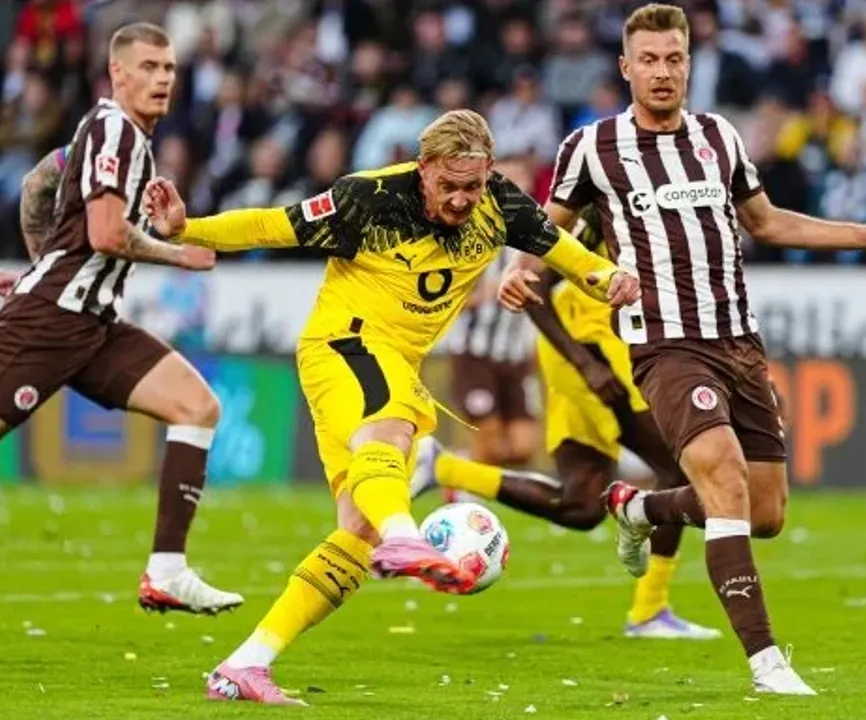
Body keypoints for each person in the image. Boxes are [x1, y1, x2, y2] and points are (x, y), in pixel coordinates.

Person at [498, 3, 866, 696]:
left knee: (764, 514)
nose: (663, 72)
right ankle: (768, 663)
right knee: (725, 481)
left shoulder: (718, 137)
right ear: (626, 67)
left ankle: (641, 509)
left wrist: (863, 234)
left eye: (674, 59)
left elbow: (766, 221)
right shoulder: (592, 147)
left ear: (689, 65)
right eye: (649, 60)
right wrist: (522, 275)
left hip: (739, 343)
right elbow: (546, 234)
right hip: (665, 347)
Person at [141, 109, 641, 706]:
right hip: (346, 343)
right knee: (393, 429)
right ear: (423, 167)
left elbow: (559, 248)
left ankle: (245, 665)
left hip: (393, 362)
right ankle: (405, 536)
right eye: (448, 185)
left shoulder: (499, 203)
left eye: (472, 186)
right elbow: (273, 225)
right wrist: (186, 228)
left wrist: (606, 276)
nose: (461, 199)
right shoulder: (369, 199)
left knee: (356, 530)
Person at [0, 22, 245, 616]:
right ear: (117, 72)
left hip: (91, 323)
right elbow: (106, 233)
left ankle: (167, 571)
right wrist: (179, 254)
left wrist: (45, 266)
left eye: (169, 68)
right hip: (51, 324)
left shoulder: (110, 133)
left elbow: (37, 182)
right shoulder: (117, 131)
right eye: (148, 67)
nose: (162, 79)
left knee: (197, 406)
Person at [410, 204, 717, 639]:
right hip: (594, 358)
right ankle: (649, 609)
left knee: (583, 506)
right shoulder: (604, 207)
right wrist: (586, 365)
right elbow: (534, 282)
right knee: (678, 466)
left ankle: (444, 467)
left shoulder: (672, 211)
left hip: (609, 357)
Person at [439, 155, 542, 470]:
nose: (511, 187)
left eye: (518, 180)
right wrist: (492, 289)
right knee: (490, 438)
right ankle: (464, 489)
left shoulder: (536, 234)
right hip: (475, 353)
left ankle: (449, 465)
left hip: (517, 356)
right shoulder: (469, 232)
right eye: (503, 180)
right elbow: (445, 296)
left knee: (523, 447)